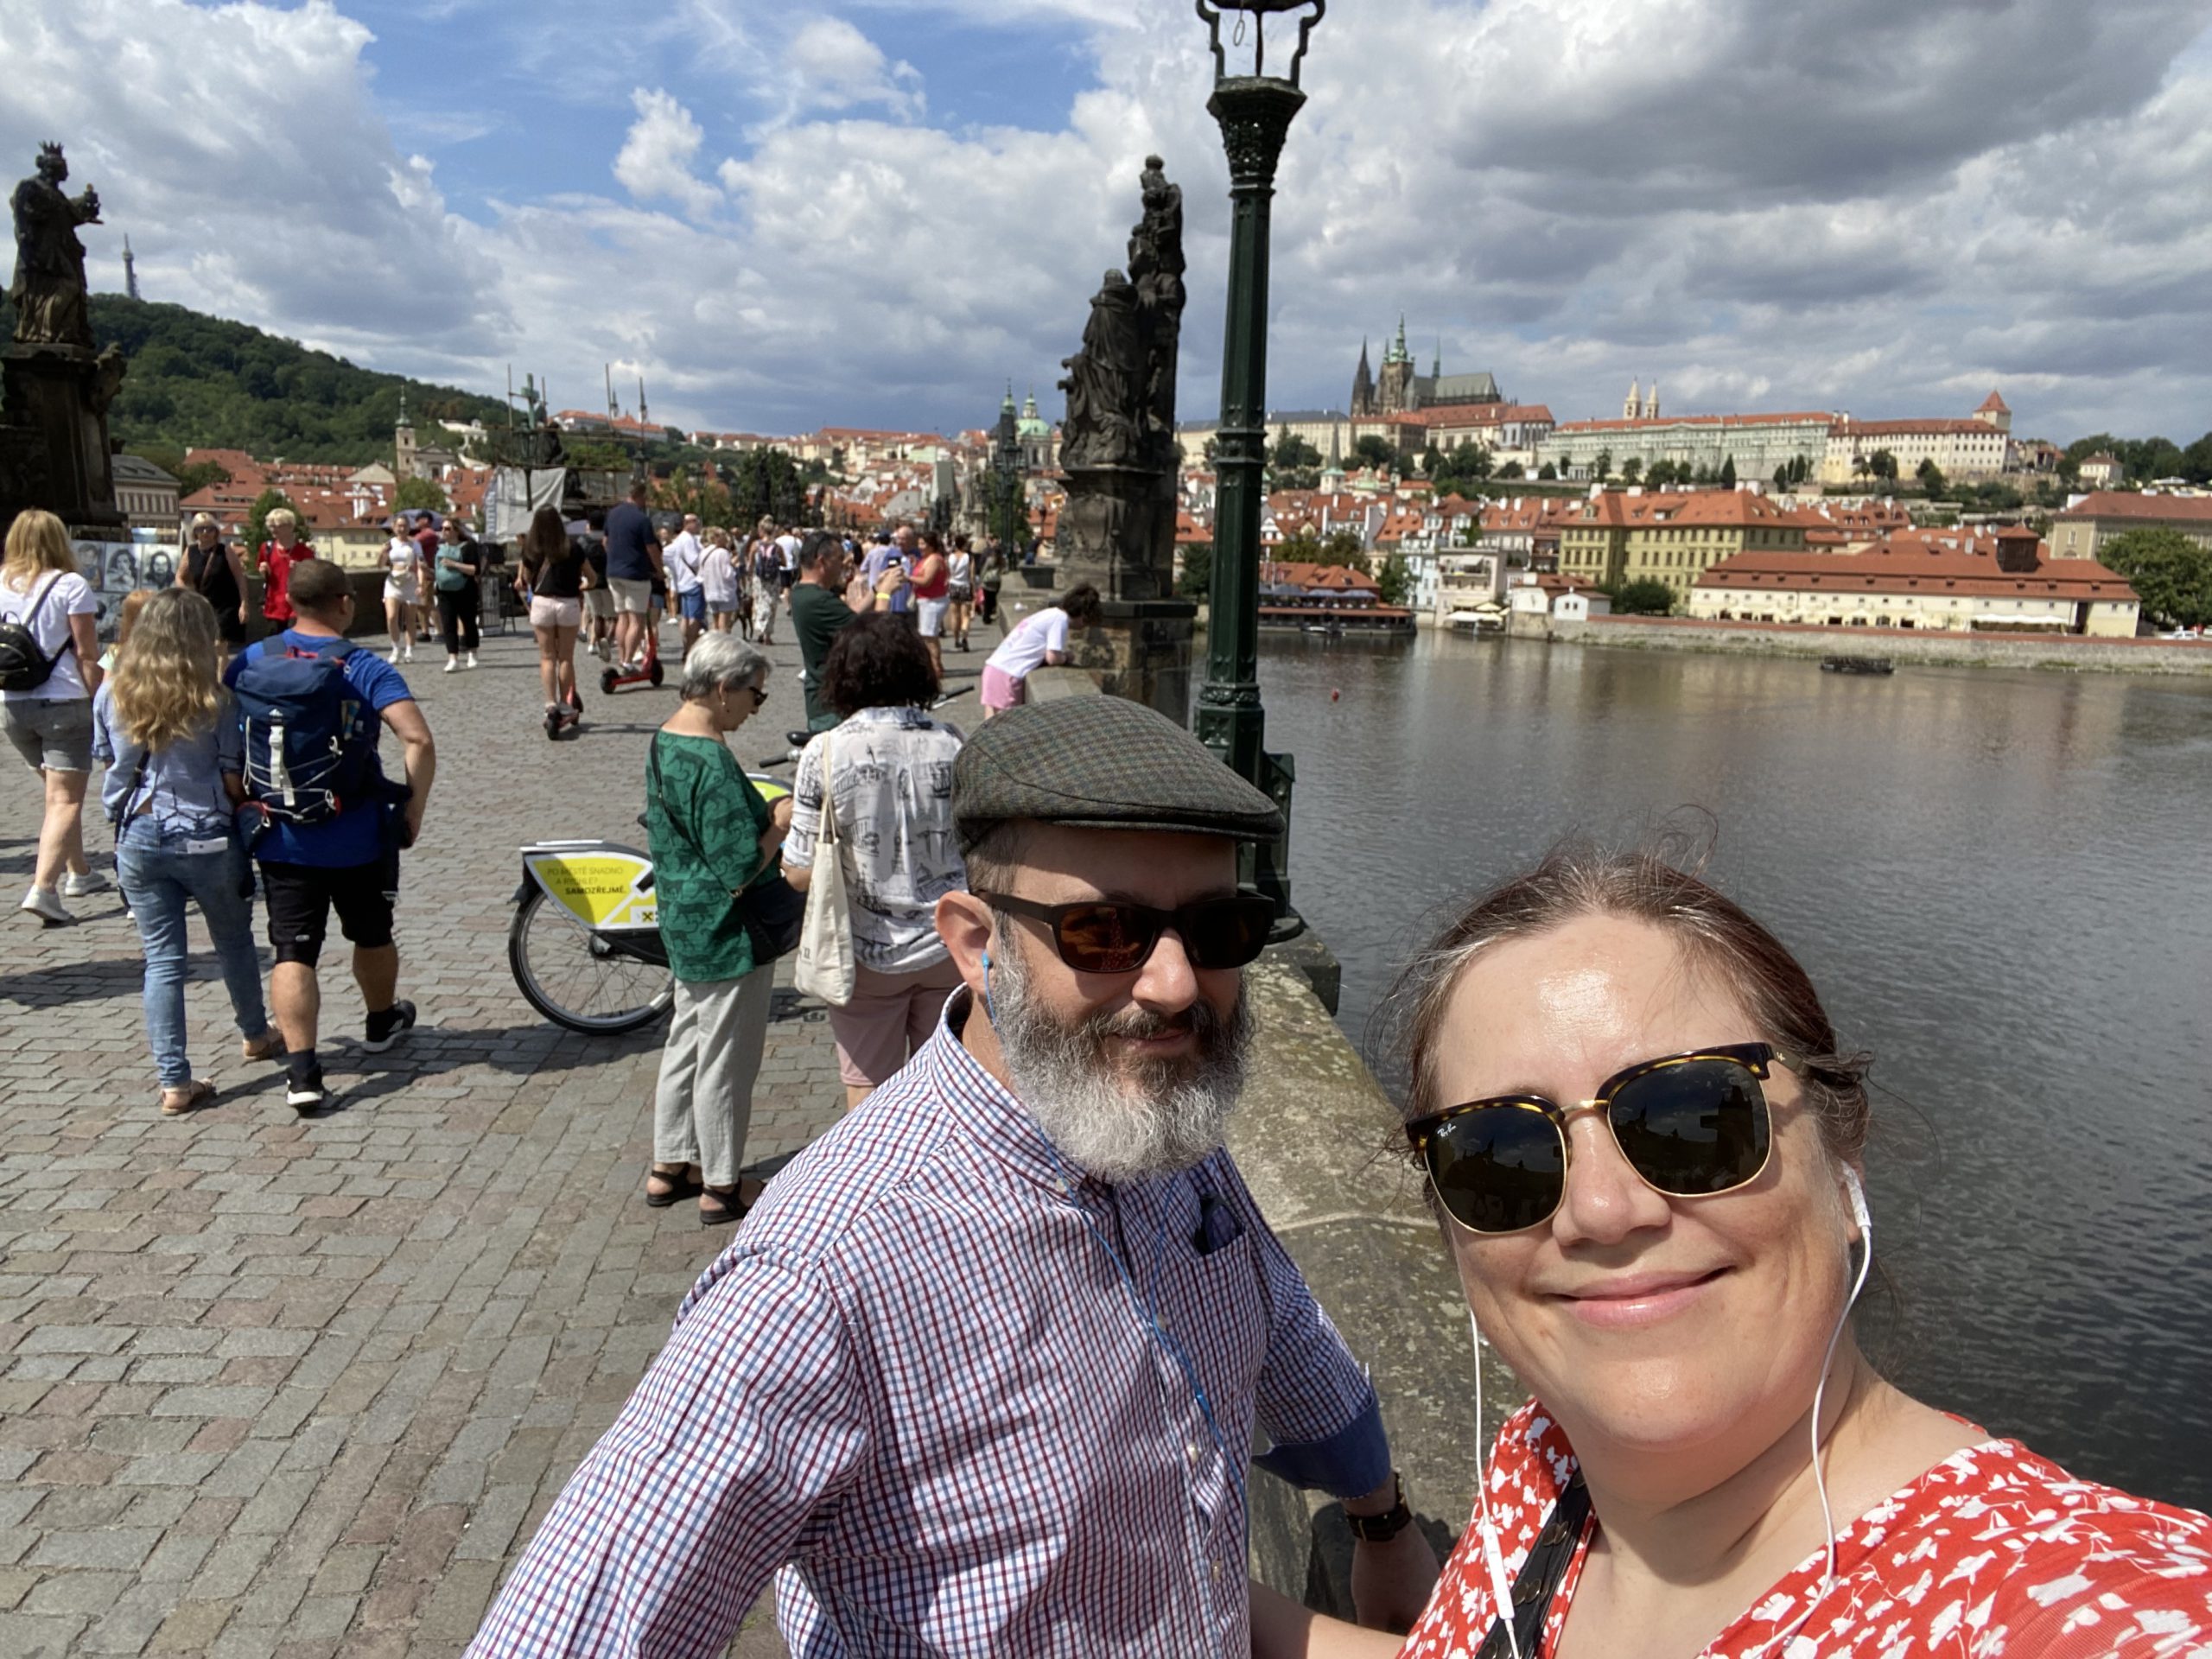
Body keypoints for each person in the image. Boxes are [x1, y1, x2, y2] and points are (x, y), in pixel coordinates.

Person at [468, 694, 1439, 1656]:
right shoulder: (824, 1274)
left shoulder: (1157, 1122)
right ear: (977, 944)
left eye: (1221, 929)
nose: (1176, 984)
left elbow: (1280, 1318)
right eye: (1105, 933)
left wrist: (1383, 1525)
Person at [1257, 846, 2212, 1659]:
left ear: (1842, 1158)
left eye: (1688, 1117)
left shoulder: (2061, 1601)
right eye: (1498, 1152)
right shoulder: (1545, 1473)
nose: (1600, 1208)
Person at [225, 558, 435, 1113]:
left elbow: (223, 736)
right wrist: (412, 809)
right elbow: (418, 739)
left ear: (290, 603)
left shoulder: (250, 660)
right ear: (345, 602)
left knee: (293, 949)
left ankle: (302, 1072)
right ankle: (380, 1020)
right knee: (371, 932)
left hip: (280, 834)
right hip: (358, 830)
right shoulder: (361, 665)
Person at [92, 589, 281, 1115]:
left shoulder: (113, 693)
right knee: (233, 941)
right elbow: (231, 773)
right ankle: (255, 1033)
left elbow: (106, 758)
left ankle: (174, 1080)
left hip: (139, 833)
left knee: (162, 961)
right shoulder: (216, 697)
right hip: (208, 834)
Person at [783, 613, 964, 1109]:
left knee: (867, 1092)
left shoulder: (826, 752)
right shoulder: (953, 743)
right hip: (948, 946)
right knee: (946, 1092)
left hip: (865, 951)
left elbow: (799, 872)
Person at [639, 633, 790, 1227]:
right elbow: (738, 865)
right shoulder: (712, 757)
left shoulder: (666, 737)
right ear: (724, 687)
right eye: (755, 694)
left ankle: (670, 1163)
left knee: (685, 1044)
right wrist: (777, 824)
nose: (756, 706)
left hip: (681, 917)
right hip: (726, 930)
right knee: (725, 1058)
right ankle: (722, 1182)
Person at [3, 508, 105, 924]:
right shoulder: (71, 585)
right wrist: (99, 699)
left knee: (57, 795)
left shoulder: (4, 582)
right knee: (65, 798)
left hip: (13, 704)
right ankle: (43, 889)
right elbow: (86, 653)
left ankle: (78, 871)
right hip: (62, 702)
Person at [788, 530, 893, 734]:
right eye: (839, 559)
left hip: (822, 699)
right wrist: (884, 594)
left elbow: (848, 618)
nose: (844, 564)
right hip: (834, 705)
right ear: (822, 561)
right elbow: (878, 636)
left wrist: (874, 592)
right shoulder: (819, 600)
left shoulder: (803, 593)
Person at [980, 582, 1100, 715]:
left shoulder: (1050, 613)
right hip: (1008, 675)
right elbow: (1053, 657)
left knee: (989, 728)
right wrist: (1066, 657)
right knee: (1007, 729)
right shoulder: (1060, 620)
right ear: (1084, 616)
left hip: (993, 668)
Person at [515, 506, 588, 723]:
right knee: (565, 657)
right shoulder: (572, 548)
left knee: (547, 657)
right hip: (567, 603)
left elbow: (528, 579)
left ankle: (550, 703)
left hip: (542, 602)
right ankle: (566, 704)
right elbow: (591, 577)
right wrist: (583, 586)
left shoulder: (531, 549)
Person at [603, 480, 661, 670]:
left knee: (622, 616)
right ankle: (628, 660)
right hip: (635, 573)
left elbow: (605, 542)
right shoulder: (641, 519)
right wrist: (660, 571)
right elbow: (652, 548)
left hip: (613, 572)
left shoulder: (612, 514)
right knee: (637, 619)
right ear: (640, 496)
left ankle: (621, 656)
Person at [177, 512, 251, 655]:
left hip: (225, 605)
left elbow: (239, 578)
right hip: (202, 603)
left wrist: (244, 604)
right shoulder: (190, 551)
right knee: (202, 644)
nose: (205, 532)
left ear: (216, 531)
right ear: (194, 532)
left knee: (219, 646)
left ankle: (220, 676)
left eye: (209, 528)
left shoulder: (225, 551)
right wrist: (186, 593)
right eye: (200, 529)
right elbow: (180, 576)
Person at [432, 519, 481, 672]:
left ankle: (472, 652)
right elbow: (438, 570)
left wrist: (455, 565)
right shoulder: (440, 547)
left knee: (469, 622)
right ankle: (453, 657)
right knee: (448, 624)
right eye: (442, 528)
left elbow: (475, 570)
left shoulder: (469, 547)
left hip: (465, 590)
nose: (443, 531)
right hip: (444, 591)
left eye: (447, 528)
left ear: (456, 530)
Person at [257, 509, 313, 633]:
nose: (273, 530)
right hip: (274, 605)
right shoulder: (267, 548)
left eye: (278, 526)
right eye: (271, 526)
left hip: (296, 605)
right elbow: (263, 571)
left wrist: (301, 569)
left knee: (294, 643)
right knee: (275, 644)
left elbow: (313, 577)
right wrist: (263, 569)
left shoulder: (304, 551)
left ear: (290, 526)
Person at [910, 527, 951, 682]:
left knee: (929, 636)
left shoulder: (934, 559)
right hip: (927, 601)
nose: (920, 547)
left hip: (932, 601)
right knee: (928, 635)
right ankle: (936, 665)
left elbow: (926, 581)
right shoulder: (927, 559)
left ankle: (935, 668)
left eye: (923, 544)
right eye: (919, 544)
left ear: (931, 545)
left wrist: (908, 578)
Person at [664, 512, 708, 658]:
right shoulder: (687, 539)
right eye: (695, 521)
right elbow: (694, 560)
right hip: (693, 582)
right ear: (686, 523)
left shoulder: (679, 540)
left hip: (683, 582)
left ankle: (687, 645)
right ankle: (690, 647)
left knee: (686, 617)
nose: (698, 524)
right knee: (694, 618)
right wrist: (706, 555)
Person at [381, 518, 421, 664]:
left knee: (410, 619)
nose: (402, 528)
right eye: (399, 526)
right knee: (391, 616)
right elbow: (380, 565)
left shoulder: (414, 544)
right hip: (393, 582)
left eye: (404, 526)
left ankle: (409, 650)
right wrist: (383, 553)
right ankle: (396, 648)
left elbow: (421, 564)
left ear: (409, 527)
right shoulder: (390, 544)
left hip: (410, 582)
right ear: (394, 527)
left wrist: (420, 584)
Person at [580, 514, 615, 662]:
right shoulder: (609, 539)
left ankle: (600, 641)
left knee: (597, 616)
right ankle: (609, 640)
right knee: (614, 617)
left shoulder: (583, 541)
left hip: (590, 582)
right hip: (607, 581)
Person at [699, 526, 740, 633]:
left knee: (715, 622)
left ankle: (712, 644)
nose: (727, 539)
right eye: (724, 536)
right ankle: (722, 645)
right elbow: (728, 574)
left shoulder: (704, 552)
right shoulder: (723, 553)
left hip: (710, 591)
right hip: (724, 592)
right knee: (724, 624)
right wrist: (733, 566)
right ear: (716, 538)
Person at [748, 518, 782, 645]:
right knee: (772, 605)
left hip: (760, 578)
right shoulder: (777, 546)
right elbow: (783, 562)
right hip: (773, 579)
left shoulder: (756, 545)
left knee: (759, 602)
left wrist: (749, 576)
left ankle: (761, 630)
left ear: (761, 530)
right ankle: (768, 634)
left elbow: (750, 563)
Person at [944, 532, 975, 651]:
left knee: (954, 615)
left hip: (953, 586)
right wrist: (974, 590)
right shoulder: (969, 558)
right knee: (965, 616)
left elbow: (947, 574)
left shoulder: (949, 557)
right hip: (965, 586)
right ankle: (965, 638)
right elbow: (971, 576)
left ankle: (956, 640)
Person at [977, 537, 1005, 627]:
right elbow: (1004, 570)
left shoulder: (990, 560)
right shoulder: (1002, 561)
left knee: (987, 601)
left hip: (987, 582)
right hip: (996, 582)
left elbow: (984, 570)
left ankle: (986, 617)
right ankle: (989, 615)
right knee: (992, 600)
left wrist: (981, 580)